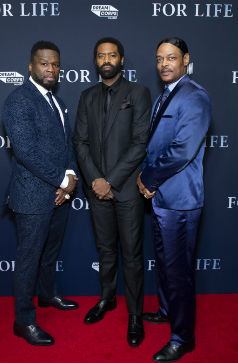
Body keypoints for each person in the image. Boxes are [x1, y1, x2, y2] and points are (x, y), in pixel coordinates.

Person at [74, 37, 152, 347]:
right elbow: (80, 142)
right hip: (97, 190)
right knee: (105, 251)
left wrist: (112, 180)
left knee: (132, 255)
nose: (106, 59)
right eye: (101, 55)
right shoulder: (86, 96)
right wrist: (95, 179)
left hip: (126, 191)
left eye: (112, 54)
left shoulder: (138, 93)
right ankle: (107, 299)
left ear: (122, 59)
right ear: (96, 61)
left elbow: (139, 143)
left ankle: (135, 314)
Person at [138, 37, 211, 362]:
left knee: (178, 270)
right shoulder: (165, 96)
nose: (164, 64)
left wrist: (148, 179)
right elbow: (154, 145)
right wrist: (146, 179)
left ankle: (183, 338)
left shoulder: (194, 97)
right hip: (161, 199)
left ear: (185, 60)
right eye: (159, 59)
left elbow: (181, 150)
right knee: (167, 266)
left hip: (180, 199)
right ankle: (168, 311)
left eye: (171, 58)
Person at [3, 41, 79, 346]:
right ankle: (23, 321)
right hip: (32, 197)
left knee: (50, 253)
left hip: (59, 194)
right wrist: (62, 179)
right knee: (29, 259)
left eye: (56, 64)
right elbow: (26, 152)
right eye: (45, 63)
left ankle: (48, 295)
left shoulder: (57, 102)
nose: (51, 69)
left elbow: (67, 144)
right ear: (31, 66)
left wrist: (71, 175)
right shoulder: (18, 100)